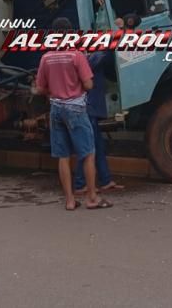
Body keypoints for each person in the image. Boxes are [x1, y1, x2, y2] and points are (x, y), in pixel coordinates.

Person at [33, 17, 112, 211]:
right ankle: (92, 197)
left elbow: (40, 88)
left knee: (63, 156)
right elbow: (88, 84)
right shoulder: (76, 56)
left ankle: (69, 201)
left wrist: (54, 90)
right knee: (88, 154)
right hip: (76, 109)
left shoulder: (46, 58)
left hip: (56, 110)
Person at [73, 49, 125, 195]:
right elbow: (95, 61)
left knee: (97, 145)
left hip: (92, 107)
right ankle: (80, 183)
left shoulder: (92, 55)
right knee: (88, 146)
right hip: (88, 106)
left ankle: (105, 180)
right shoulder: (91, 56)